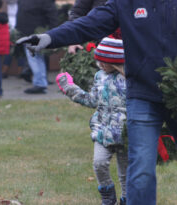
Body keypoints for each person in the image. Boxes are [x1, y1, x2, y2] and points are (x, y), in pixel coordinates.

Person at [17, 0, 177, 204]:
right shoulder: (126, 1)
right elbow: (90, 23)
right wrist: (51, 38)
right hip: (143, 95)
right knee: (141, 171)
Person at [56, 36, 127, 205]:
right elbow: (92, 100)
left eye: (105, 61)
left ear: (116, 61)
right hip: (102, 131)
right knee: (99, 163)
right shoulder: (99, 76)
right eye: (99, 60)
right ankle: (108, 197)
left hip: (126, 134)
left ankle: (127, 199)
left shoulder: (130, 79)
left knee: (126, 173)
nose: (101, 64)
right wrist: (69, 88)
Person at [15, 0, 57, 94]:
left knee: (35, 59)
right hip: (31, 32)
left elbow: (52, 16)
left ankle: (40, 83)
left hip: (34, 33)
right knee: (37, 58)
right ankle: (40, 82)